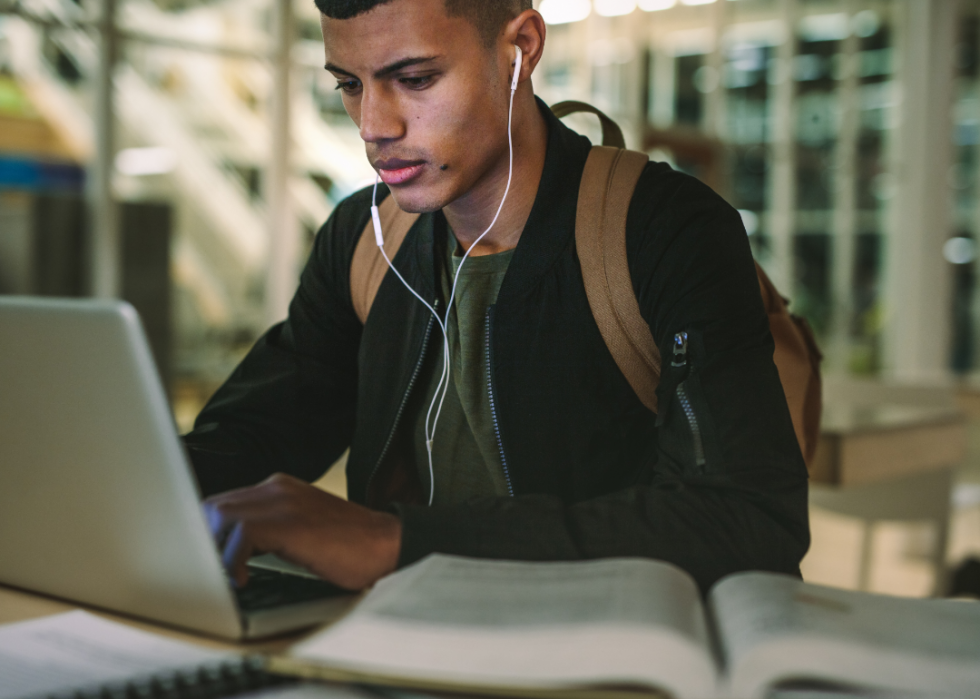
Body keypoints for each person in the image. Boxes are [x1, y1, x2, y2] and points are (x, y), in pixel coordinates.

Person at [187, 0, 809, 595]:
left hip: (594, 649)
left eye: (415, 79)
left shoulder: (664, 229)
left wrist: (401, 541)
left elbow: (749, 519)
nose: (375, 127)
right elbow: (252, 433)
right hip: (392, 645)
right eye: (349, 85)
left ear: (521, 49)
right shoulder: (363, 238)